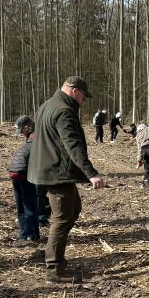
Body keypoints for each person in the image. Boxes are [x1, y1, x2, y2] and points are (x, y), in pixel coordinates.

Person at [30, 76, 105, 283]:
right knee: (62, 218)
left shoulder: (47, 105)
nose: (83, 101)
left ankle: (55, 255)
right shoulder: (64, 111)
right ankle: (54, 268)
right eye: (83, 97)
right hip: (57, 173)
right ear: (75, 91)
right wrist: (91, 173)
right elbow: (72, 145)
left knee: (73, 209)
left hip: (53, 170)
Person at [8, 115, 39, 244]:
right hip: (23, 173)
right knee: (30, 205)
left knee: (21, 205)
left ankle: (23, 234)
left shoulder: (32, 137)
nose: (21, 133)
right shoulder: (37, 137)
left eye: (21, 130)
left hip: (14, 172)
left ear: (27, 127)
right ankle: (32, 235)